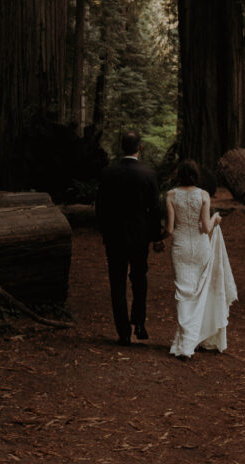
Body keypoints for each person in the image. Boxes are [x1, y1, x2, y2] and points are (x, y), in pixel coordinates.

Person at [95, 130, 164, 346]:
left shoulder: (108, 173)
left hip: (115, 236)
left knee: (117, 282)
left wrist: (105, 231)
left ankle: (123, 331)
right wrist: (156, 236)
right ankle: (140, 322)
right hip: (139, 236)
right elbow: (154, 209)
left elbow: (101, 207)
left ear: (121, 147)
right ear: (139, 148)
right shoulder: (148, 174)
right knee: (139, 278)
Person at [165, 159, 237, 359]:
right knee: (199, 292)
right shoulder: (203, 195)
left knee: (183, 292)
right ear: (196, 176)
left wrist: (158, 238)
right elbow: (206, 228)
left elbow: (170, 229)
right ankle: (192, 340)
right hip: (200, 247)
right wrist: (216, 218)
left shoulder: (170, 195)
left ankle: (186, 342)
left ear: (179, 175)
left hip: (180, 248)